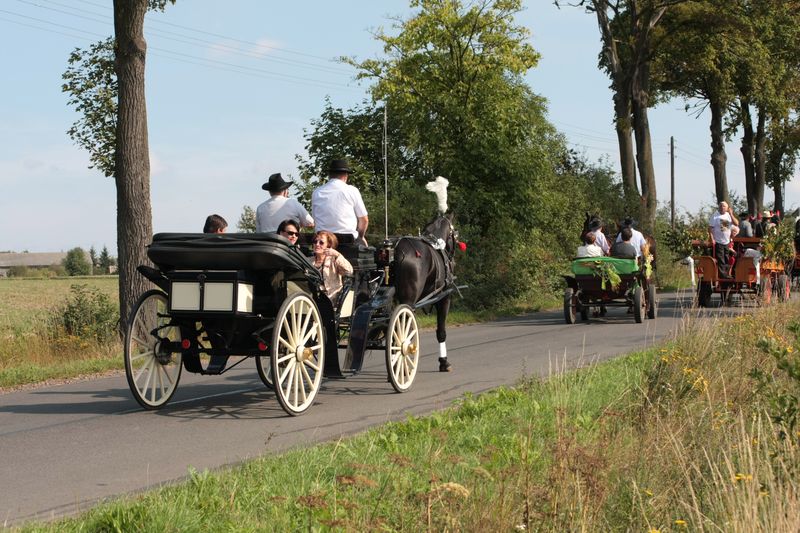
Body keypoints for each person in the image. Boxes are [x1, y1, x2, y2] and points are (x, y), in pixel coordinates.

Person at [311, 159, 368, 246]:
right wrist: (360, 237)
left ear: (329, 175)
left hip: (324, 240)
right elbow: (364, 220)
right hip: (347, 240)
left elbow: (315, 219)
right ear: (345, 175)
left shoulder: (317, 192)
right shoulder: (351, 190)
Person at [312, 230, 353, 301]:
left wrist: (337, 255)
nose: (317, 244)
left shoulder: (334, 260)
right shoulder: (308, 260)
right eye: (315, 242)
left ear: (329, 245)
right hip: (311, 296)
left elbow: (349, 271)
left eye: (321, 242)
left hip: (331, 298)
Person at [708, 201, 736, 278]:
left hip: (726, 241)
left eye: (724, 206)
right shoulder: (715, 216)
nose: (722, 207)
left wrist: (731, 214)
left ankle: (726, 274)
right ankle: (723, 276)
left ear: (727, 208)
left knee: (726, 258)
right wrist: (712, 238)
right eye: (721, 206)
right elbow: (710, 228)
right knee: (721, 259)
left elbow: (736, 223)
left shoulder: (728, 215)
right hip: (718, 241)